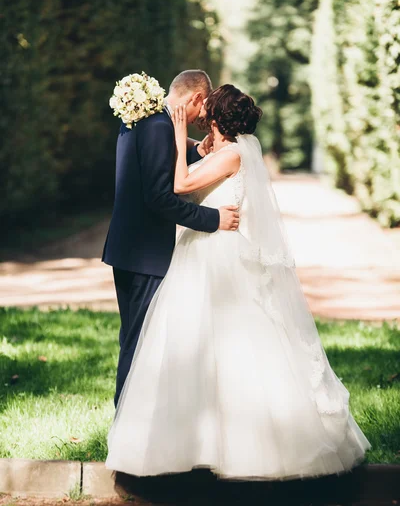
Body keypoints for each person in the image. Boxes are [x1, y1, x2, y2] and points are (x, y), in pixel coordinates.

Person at [106, 84, 370, 480]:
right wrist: (190, 142)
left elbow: (178, 186)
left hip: (215, 255)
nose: (198, 122)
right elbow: (196, 163)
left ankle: (222, 445)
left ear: (214, 120)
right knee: (197, 346)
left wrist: (178, 136)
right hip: (204, 251)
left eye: (206, 117)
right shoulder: (233, 149)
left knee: (221, 344)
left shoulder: (231, 155)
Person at [102, 71, 240, 407]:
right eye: (201, 110)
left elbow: (158, 160)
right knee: (140, 343)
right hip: (145, 255)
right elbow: (160, 198)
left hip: (128, 250)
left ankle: (132, 426)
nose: (200, 120)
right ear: (194, 98)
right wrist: (214, 219)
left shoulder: (141, 119)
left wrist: (197, 149)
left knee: (134, 339)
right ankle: (125, 428)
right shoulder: (161, 127)